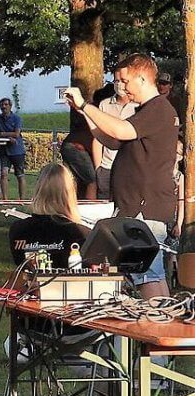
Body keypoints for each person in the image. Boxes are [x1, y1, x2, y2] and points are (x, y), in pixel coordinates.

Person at [64, 53, 178, 299]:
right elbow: (113, 141)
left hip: (145, 206)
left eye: (125, 81)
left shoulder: (158, 109)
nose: (121, 86)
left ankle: (156, 326)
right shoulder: (146, 110)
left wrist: (86, 105)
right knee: (148, 271)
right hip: (137, 205)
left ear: (142, 78)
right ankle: (159, 322)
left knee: (146, 272)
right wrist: (85, 113)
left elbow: (121, 129)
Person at [8, 163, 89, 267]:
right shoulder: (80, 233)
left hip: (32, 282)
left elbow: (20, 267)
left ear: (38, 190)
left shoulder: (18, 230)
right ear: (69, 193)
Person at [93, 68, 137, 199]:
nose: (120, 85)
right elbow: (97, 138)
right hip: (107, 167)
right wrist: (98, 168)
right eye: (116, 81)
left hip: (130, 168)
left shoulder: (139, 106)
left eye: (123, 81)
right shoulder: (105, 105)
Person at [0, 98, 27, 199]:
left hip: (17, 151)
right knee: (3, 174)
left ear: (10, 106)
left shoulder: (17, 118)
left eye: (6, 105)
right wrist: (7, 137)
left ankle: (22, 199)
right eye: (2, 105)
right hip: (4, 150)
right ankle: (5, 199)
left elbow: (16, 133)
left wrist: (3, 134)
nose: (4, 107)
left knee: (20, 175)